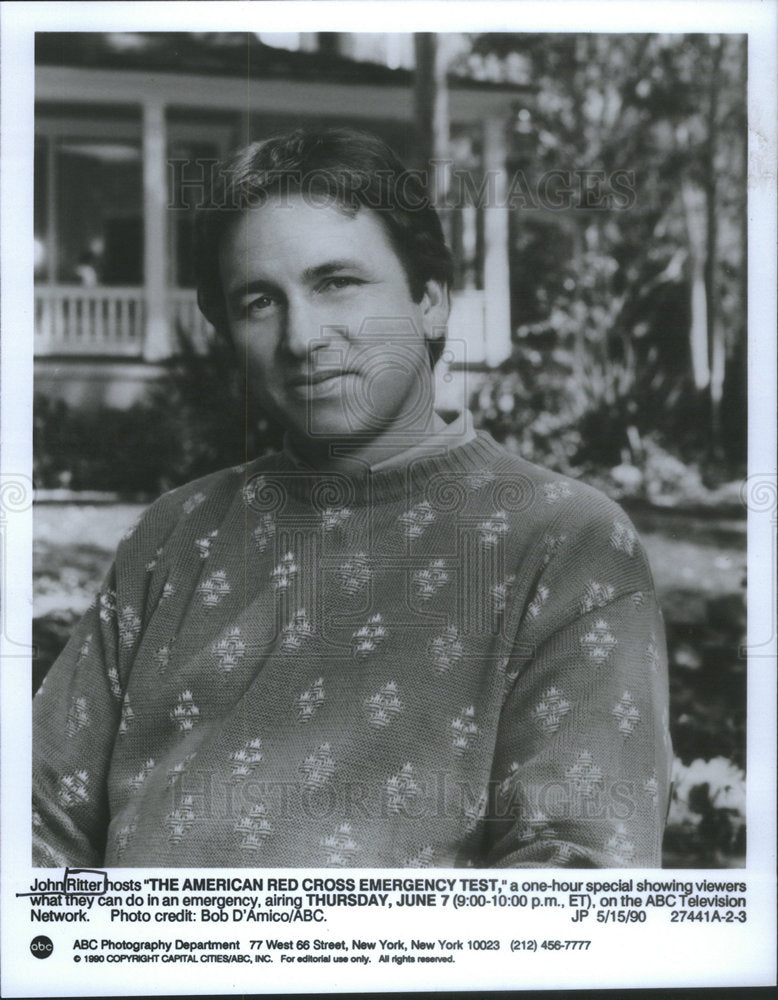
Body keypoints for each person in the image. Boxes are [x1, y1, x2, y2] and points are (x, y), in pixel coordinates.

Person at [33, 127, 671, 868]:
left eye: (337, 282)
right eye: (259, 301)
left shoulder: (566, 543)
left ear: (430, 302)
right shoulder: (177, 535)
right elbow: (35, 816)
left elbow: (579, 885)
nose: (303, 337)